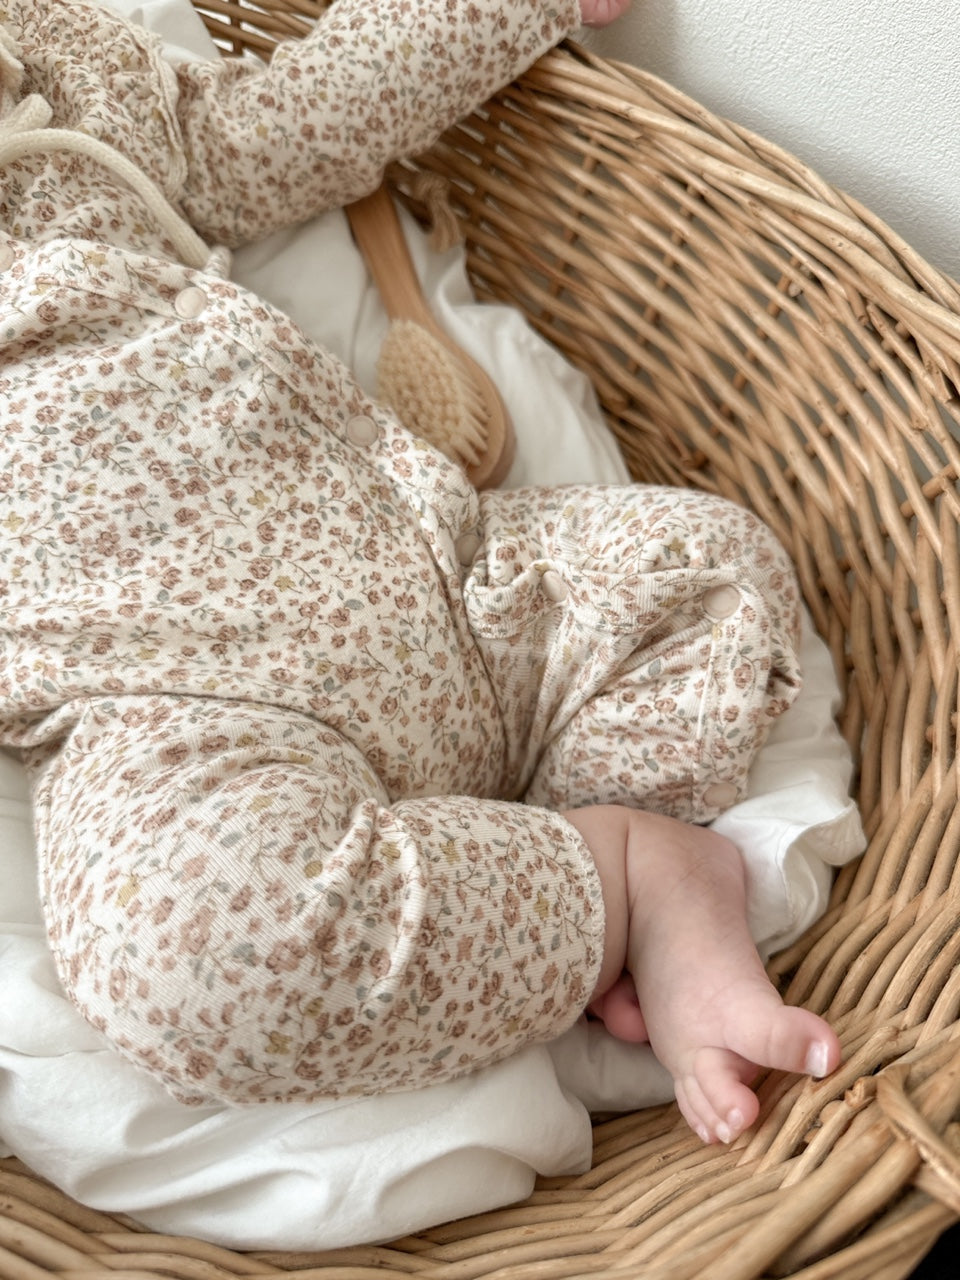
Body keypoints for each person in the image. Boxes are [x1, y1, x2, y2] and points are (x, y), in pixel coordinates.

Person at [0, 0, 840, 1153]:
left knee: (714, 569)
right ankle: (628, 879)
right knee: (189, 952)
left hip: (441, 577)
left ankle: (563, 866)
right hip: (177, 705)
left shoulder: (60, 78)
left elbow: (281, 124)